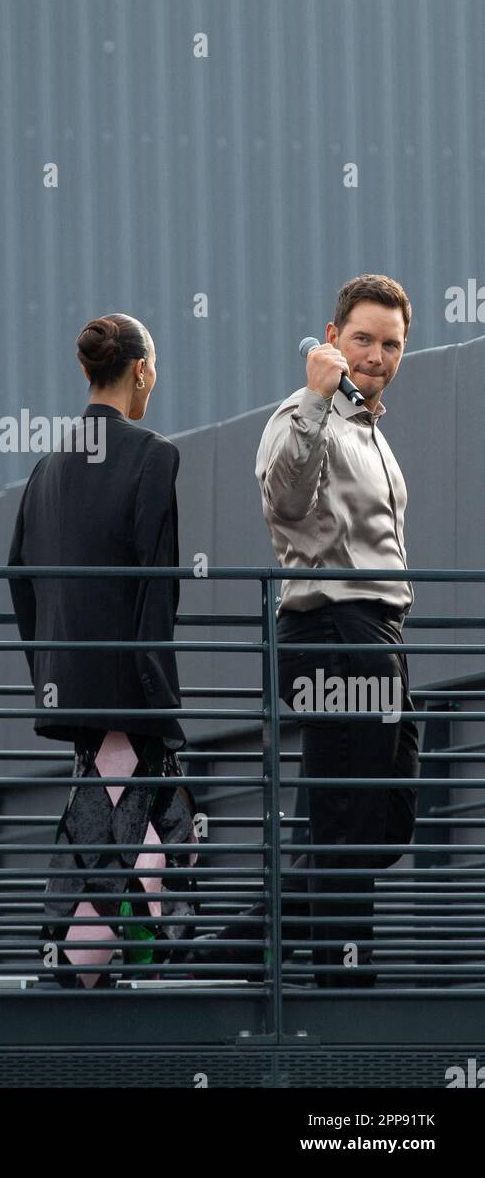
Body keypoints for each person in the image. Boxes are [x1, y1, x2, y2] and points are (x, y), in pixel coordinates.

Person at [195, 274, 419, 988]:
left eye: (391, 343)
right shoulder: (302, 413)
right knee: (348, 830)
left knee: (380, 823)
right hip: (332, 630)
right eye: (362, 339)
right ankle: (342, 994)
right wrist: (318, 397)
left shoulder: (372, 431)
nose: (376, 355)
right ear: (332, 339)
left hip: (379, 634)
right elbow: (287, 500)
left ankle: (230, 953)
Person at [7, 314, 199, 989]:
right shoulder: (153, 454)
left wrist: (50, 671)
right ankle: (89, 974)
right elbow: (158, 587)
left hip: (70, 679)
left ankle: (91, 964)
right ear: (141, 369)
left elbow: (19, 575)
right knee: (130, 813)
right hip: (127, 682)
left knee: (114, 808)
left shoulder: (46, 466)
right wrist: (158, 694)